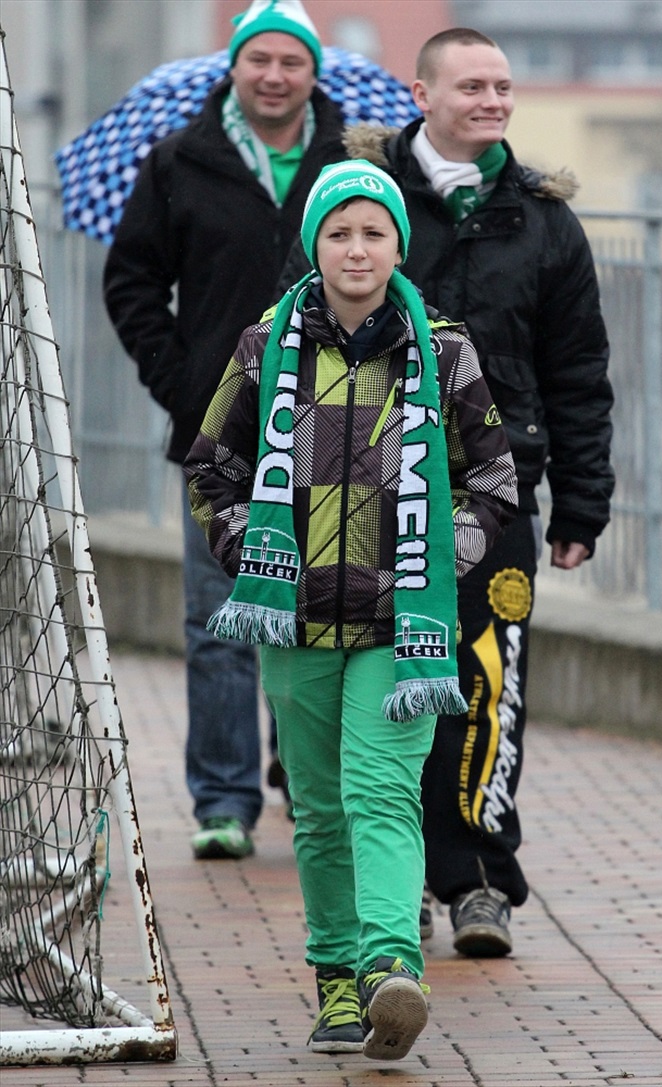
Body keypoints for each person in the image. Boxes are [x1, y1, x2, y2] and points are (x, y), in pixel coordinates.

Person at [183, 160, 518, 1059]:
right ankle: (335, 981)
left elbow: (492, 478)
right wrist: (251, 551)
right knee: (322, 808)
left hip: (400, 628)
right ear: (314, 244)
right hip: (294, 621)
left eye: (374, 232)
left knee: (381, 792)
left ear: (399, 244)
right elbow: (212, 468)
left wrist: (446, 565)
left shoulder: (444, 349)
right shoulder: (265, 347)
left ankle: (387, 967)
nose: (357, 248)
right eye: (340, 232)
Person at [338, 27, 615, 957]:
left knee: (487, 684)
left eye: (503, 86)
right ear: (422, 95)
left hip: (497, 499)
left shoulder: (544, 220)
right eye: (473, 86)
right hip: (370, 491)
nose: (493, 101)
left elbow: (578, 372)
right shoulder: (361, 204)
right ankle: (398, 873)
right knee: (386, 683)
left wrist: (581, 502)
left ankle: (481, 879)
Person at [102, 0, 345, 860]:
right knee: (218, 619)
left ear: (315, 72)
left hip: (339, 434)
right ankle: (224, 799)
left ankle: (299, 773)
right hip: (217, 436)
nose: (275, 76)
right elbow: (131, 282)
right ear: (232, 68)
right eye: (259, 60)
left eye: (292, 62)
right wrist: (183, 387)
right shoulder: (179, 162)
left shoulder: (352, 162)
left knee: (324, 614)